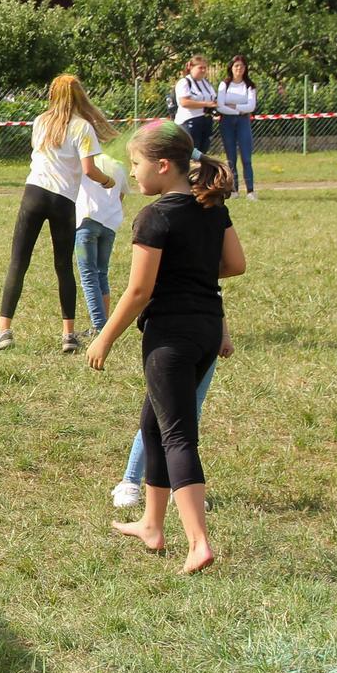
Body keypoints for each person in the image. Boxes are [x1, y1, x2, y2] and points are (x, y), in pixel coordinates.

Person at [87, 120, 245, 575]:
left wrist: (104, 337)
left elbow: (138, 292)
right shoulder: (210, 208)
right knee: (153, 425)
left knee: (177, 433)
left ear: (162, 166)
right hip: (207, 331)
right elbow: (234, 264)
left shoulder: (155, 217)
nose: (133, 173)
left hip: (170, 339)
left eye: (136, 164)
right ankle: (152, 525)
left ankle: (198, 542)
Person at [0, 75, 115, 354]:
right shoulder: (83, 127)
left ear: (52, 95)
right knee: (63, 266)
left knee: (18, 262)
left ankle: (3, 330)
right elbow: (89, 170)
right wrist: (107, 181)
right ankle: (68, 335)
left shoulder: (41, 121)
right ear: (80, 96)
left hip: (34, 194)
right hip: (63, 200)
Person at [111, 320, 229, 510]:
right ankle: (130, 480)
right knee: (161, 412)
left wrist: (224, 334)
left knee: (191, 411)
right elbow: (138, 294)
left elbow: (214, 295)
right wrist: (106, 336)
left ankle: (181, 485)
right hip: (170, 335)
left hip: (205, 335)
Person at [74, 138, 128, 336]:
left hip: (87, 223)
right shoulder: (119, 166)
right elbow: (120, 195)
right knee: (101, 273)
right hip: (110, 224)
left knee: (88, 275)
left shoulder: (87, 162)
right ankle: (104, 324)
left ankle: (99, 327)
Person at [215, 55, 258, 201]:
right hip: (227, 122)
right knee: (231, 158)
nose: (239, 69)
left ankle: (250, 191)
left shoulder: (249, 86)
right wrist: (239, 110)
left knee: (246, 157)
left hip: (243, 122)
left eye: (241, 66)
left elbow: (251, 106)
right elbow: (220, 106)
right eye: (236, 66)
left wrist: (235, 108)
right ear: (231, 68)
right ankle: (233, 190)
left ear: (245, 69)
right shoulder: (224, 85)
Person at [174, 55, 219, 154]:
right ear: (191, 67)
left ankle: (201, 169)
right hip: (189, 121)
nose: (203, 70)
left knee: (202, 154)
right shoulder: (184, 82)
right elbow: (184, 102)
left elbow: (213, 98)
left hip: (205, 120)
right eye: (200, 68)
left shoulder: (206, 83)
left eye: (205, 68)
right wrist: (205, 104)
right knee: (191, 153)